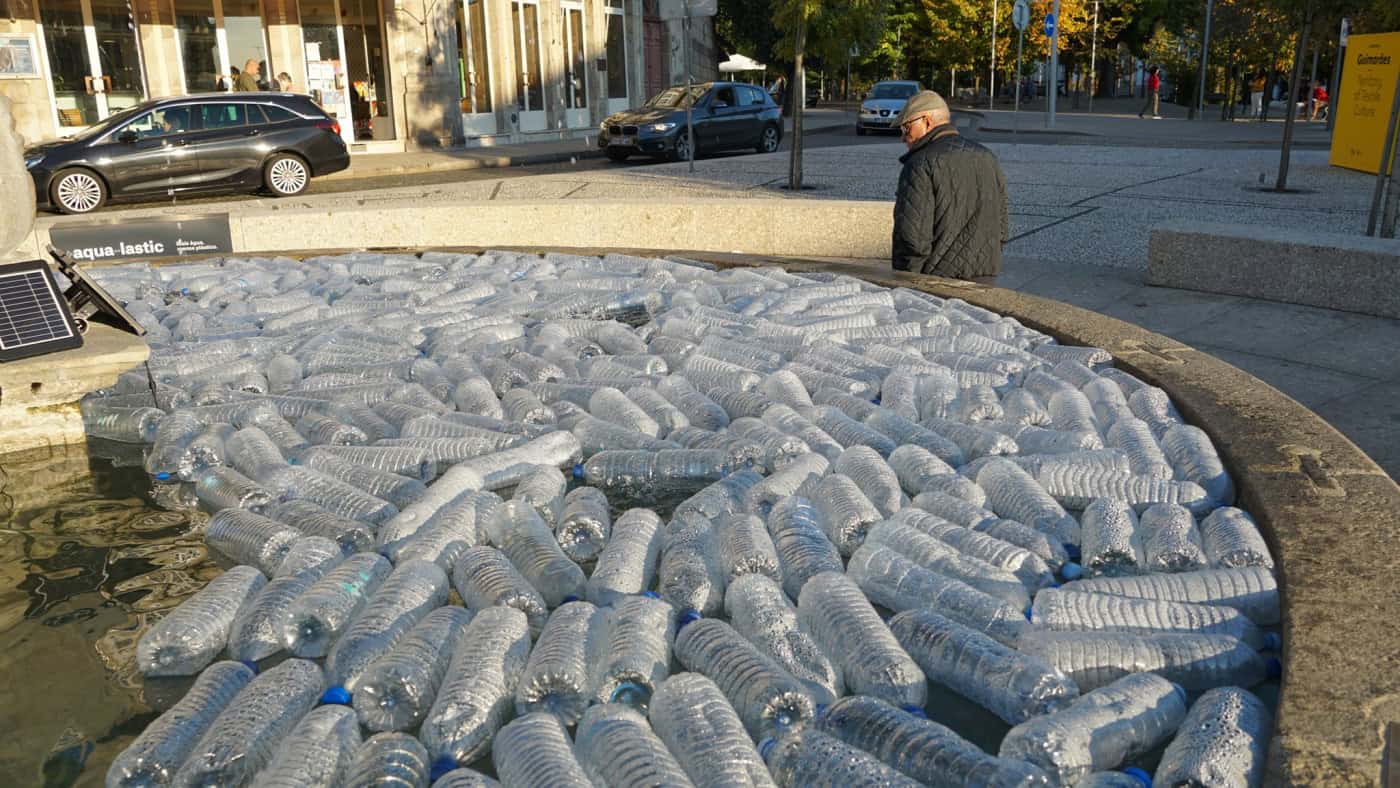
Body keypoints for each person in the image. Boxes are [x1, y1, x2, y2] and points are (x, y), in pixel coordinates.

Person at [890, 90, 1008, 283]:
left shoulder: (920, 164)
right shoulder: (988, 157)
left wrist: (905, 280)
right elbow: (1001, 227)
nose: (903, 137)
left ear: (927, 121)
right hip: (985, 278)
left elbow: (913, 239)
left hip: (935, 284)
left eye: (906, 128)